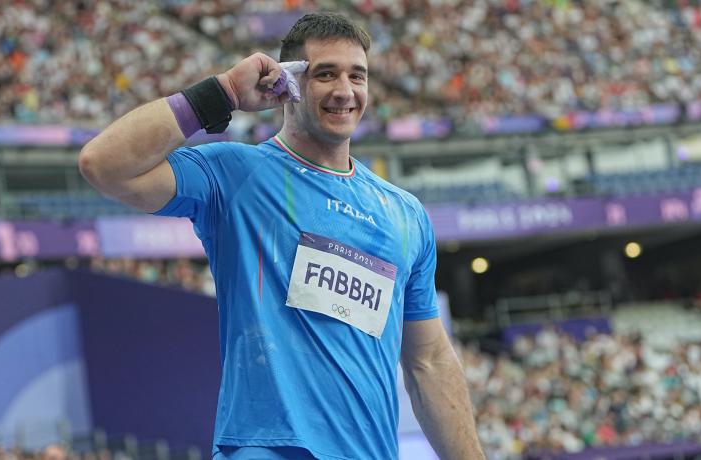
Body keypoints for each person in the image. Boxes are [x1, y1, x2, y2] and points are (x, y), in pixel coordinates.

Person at [79, 12, 483, 460]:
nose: (345, 91)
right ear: (289, 82)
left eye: (357, 75)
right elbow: (104, 164)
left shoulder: (404, 215)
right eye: (325, 74)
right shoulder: (235, 175)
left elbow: (429, 362)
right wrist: (224, 93)